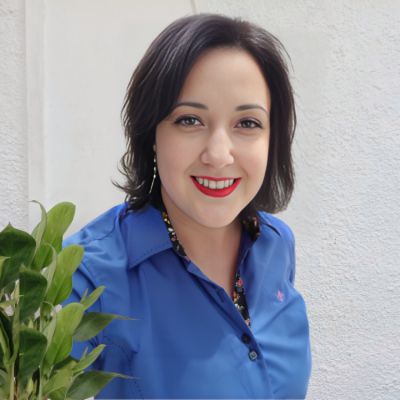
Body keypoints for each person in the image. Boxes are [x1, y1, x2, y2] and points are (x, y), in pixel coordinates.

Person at [62, 13, 312, 399]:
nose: (219, 154)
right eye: (190, 120)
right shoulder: (85, 277)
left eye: (247, 123)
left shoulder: (277, 244)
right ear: (151, 135)